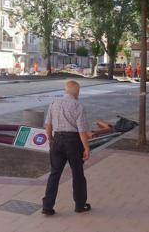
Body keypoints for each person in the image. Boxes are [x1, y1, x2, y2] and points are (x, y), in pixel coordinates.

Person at [42, 80, 91, 215]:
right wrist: (86, 148)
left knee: (55, 173)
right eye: (79, 91)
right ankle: (80, 205)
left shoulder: (54, 103)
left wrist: (50, 138)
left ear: (66, 90)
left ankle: (47, 206)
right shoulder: (78, 106)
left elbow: (48, 124)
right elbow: (82, 130)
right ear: (77, 92)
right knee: (78, 174)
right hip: (73, 142)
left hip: (57, 140)